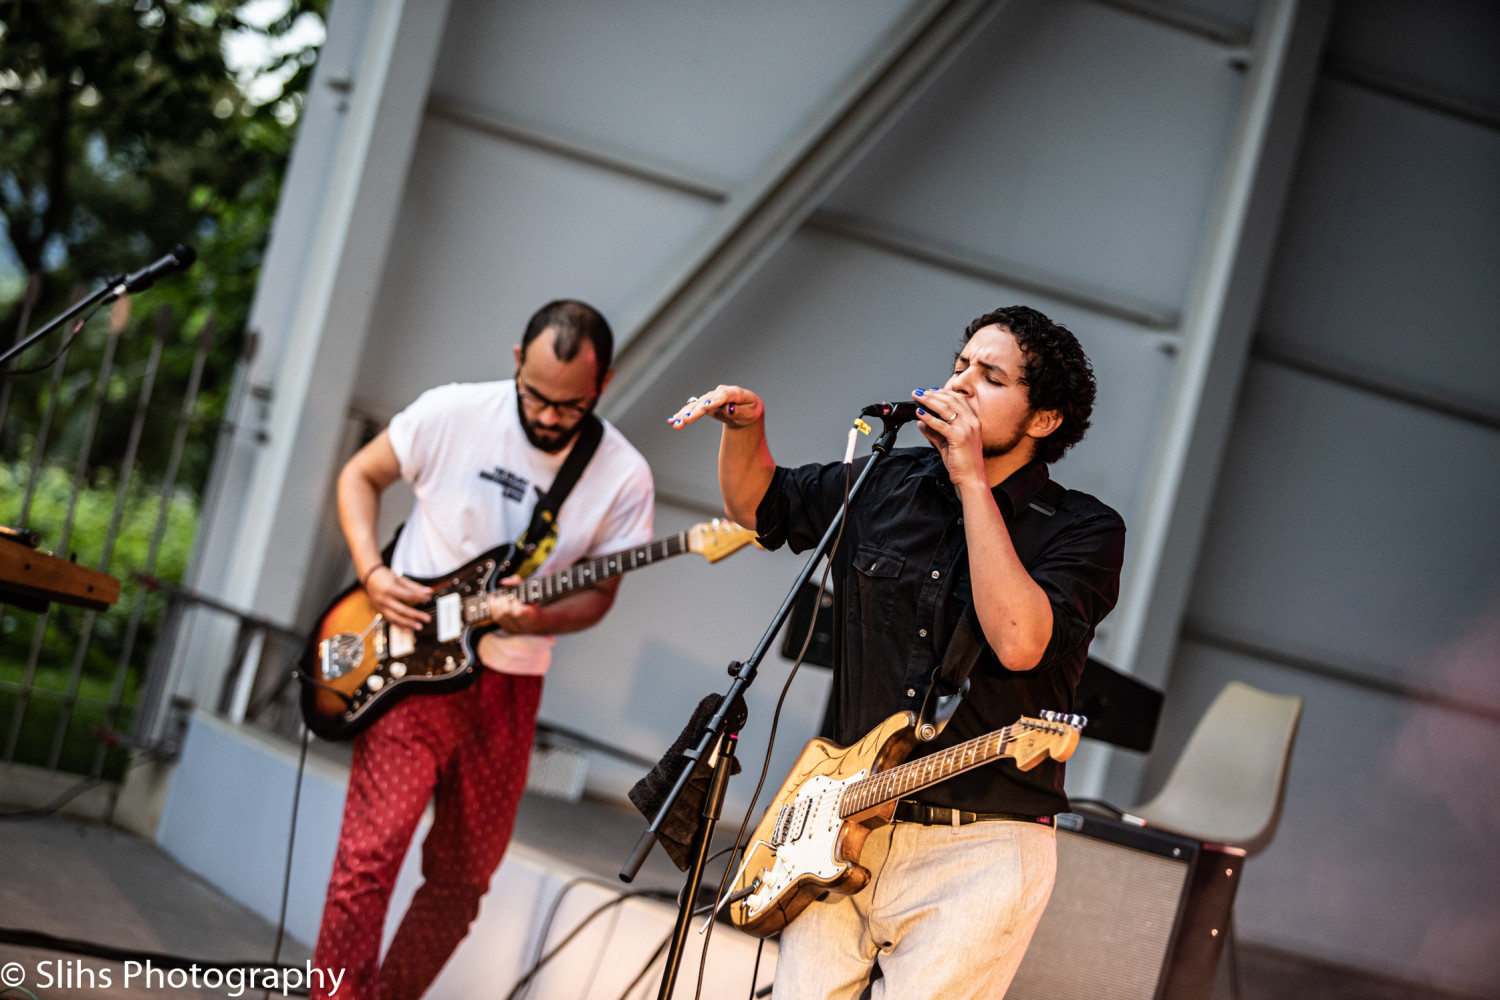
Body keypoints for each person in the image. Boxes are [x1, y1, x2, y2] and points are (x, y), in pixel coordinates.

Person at [669, 305, 1125, 999]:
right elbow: (759, 506)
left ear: (1044, 420)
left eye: (991, 376)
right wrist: (746, 429)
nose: (962, 382)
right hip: (841, 821)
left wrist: (973, 481)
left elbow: (1021, 642)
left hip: (977, 844)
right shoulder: (888, 480)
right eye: (960, 364)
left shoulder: (1084, 528)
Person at [312, 300, 654, 1000]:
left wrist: (531, 622)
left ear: (605, 383)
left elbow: (600, 596)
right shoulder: (453, 413)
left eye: (572, 404)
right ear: (515, 363)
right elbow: (359, 476)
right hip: (408, 668)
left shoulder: (623, 473)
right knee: (369, 859)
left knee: (464, 880)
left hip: (509, 686)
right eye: (537, 396)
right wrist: (373, 573)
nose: (551, 416)